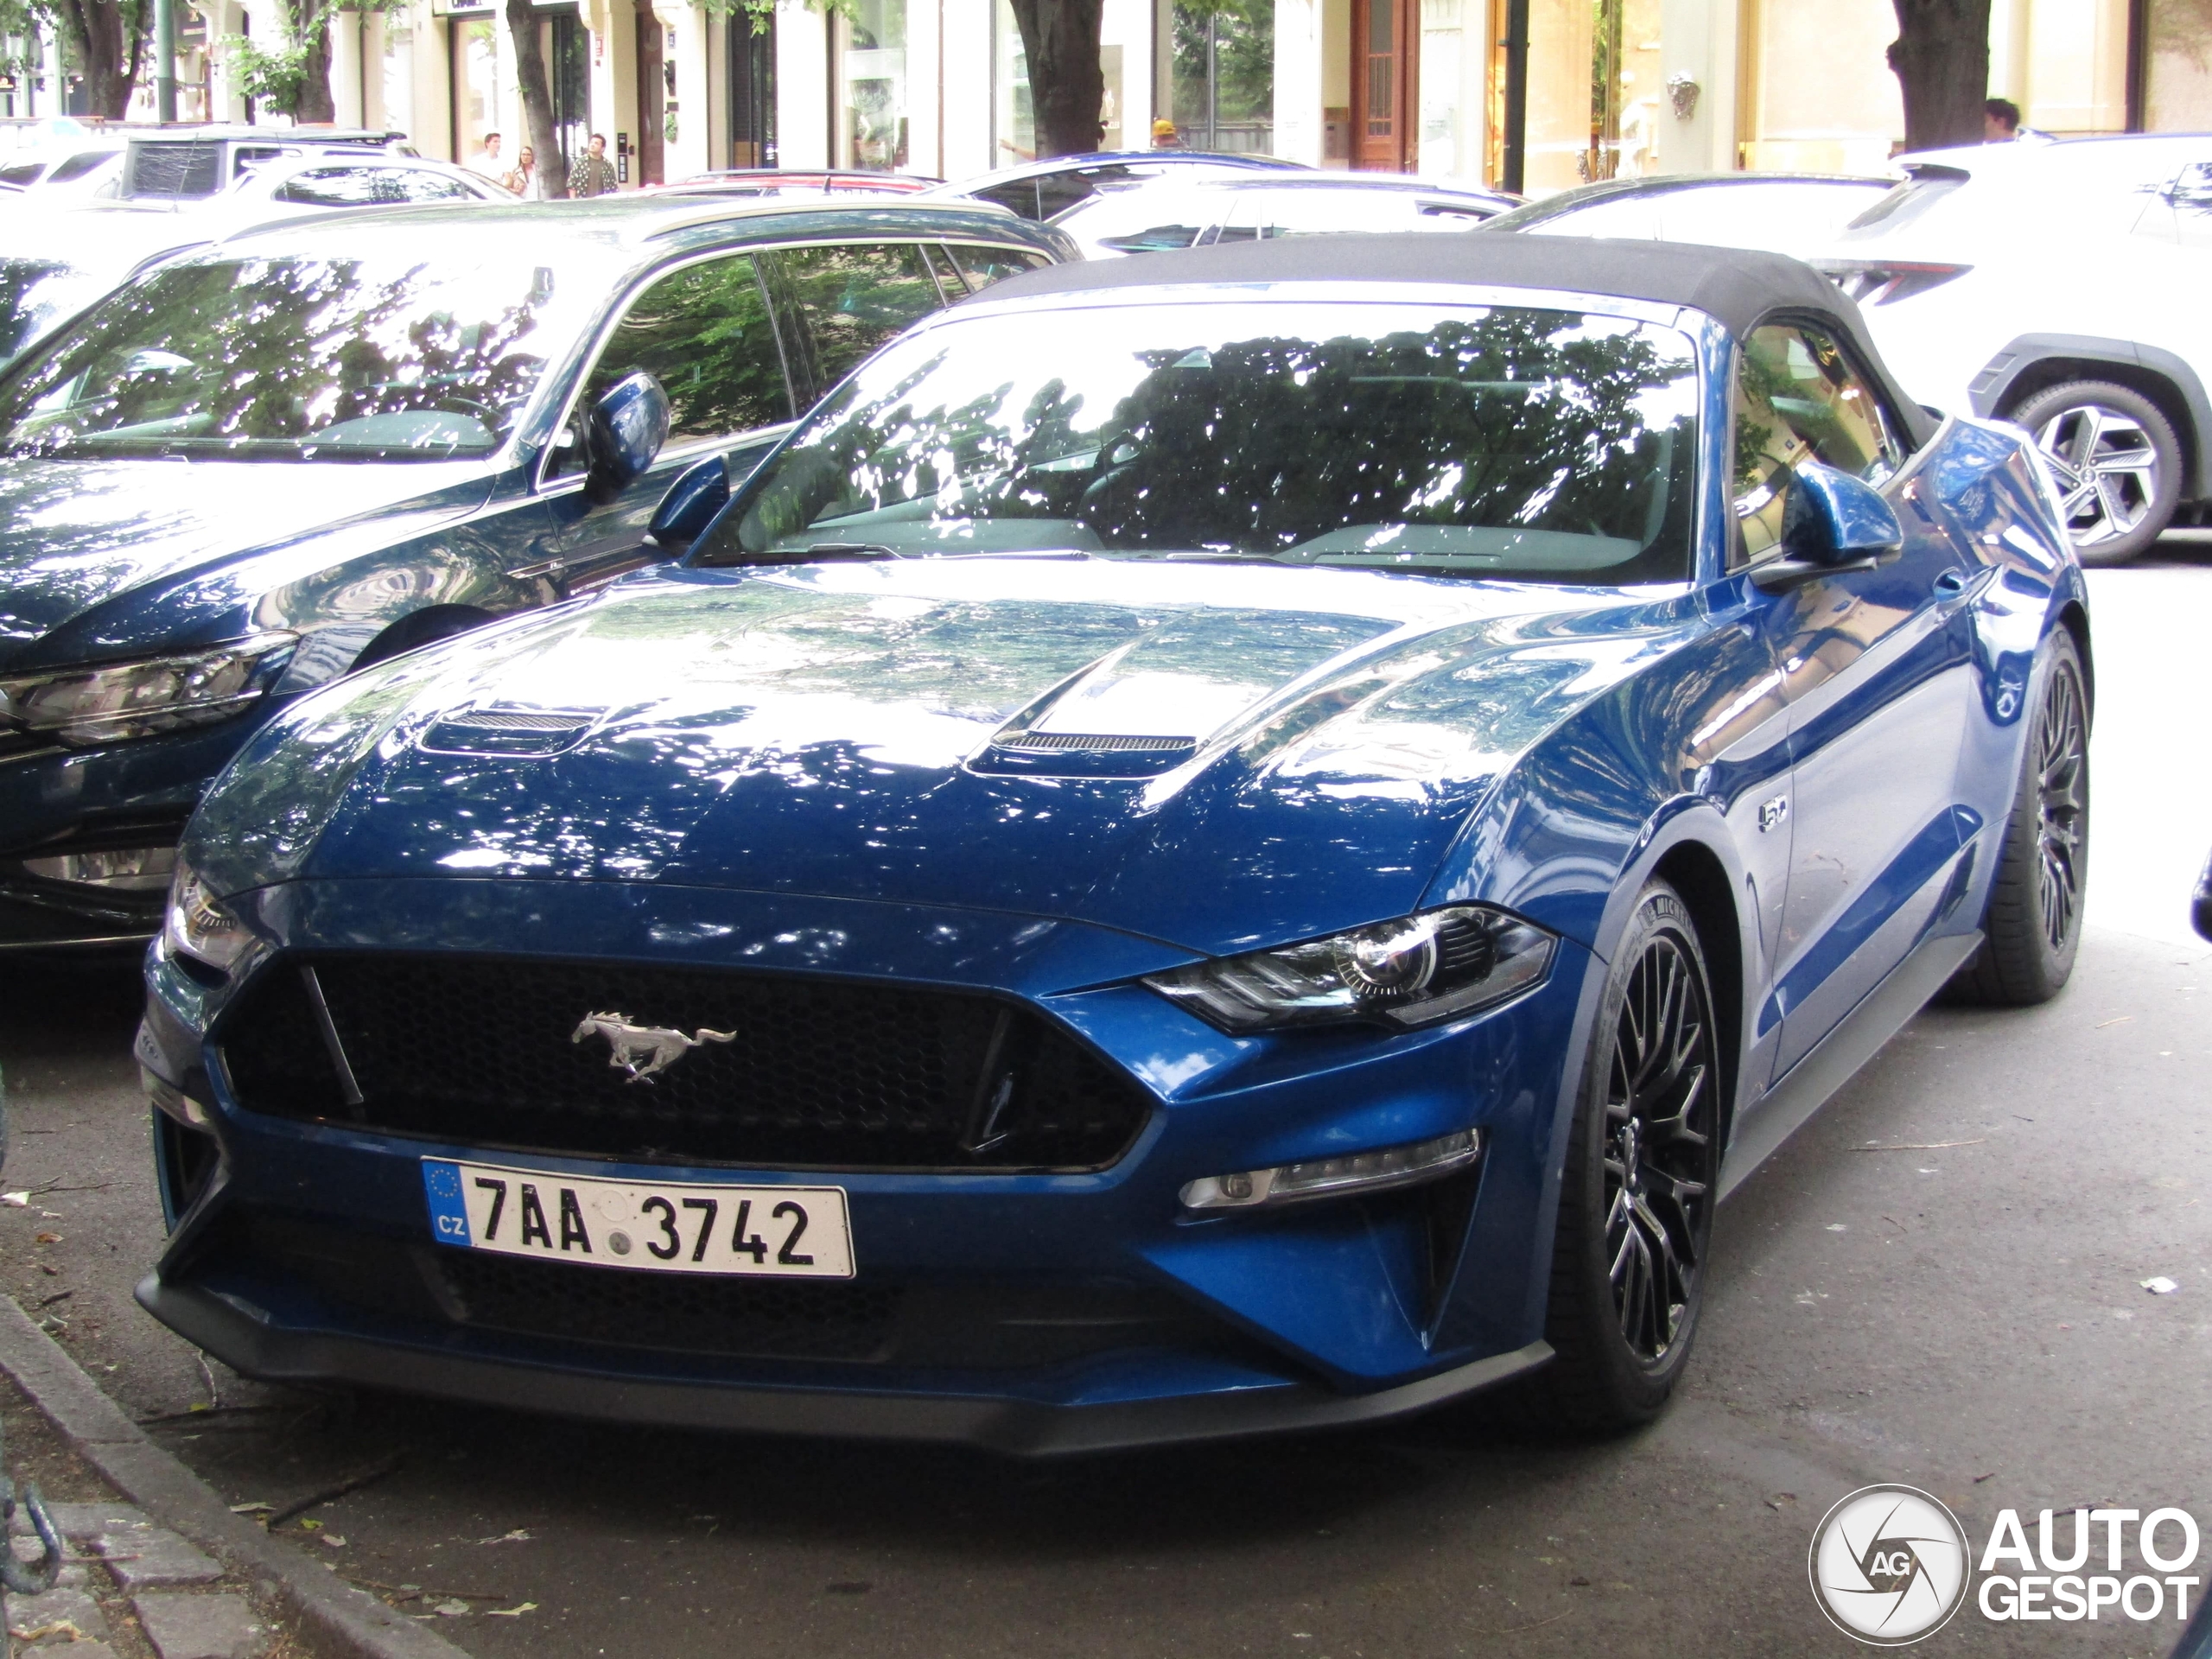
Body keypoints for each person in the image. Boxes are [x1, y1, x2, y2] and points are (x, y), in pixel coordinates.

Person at [569, 132, 618, 198]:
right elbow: (572, 184)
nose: (592, 145)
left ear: (602, 148)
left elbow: (613, 187)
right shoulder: (580, 162)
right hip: (582, 203)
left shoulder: (608, 165)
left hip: (602, 204)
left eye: (596, 143)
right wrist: (573, 201)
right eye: (591, 142)